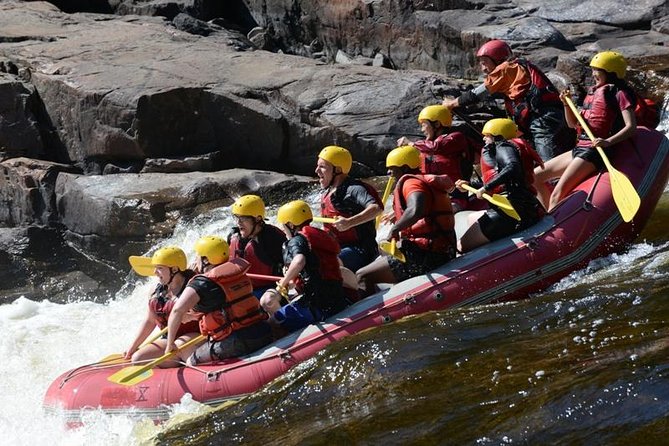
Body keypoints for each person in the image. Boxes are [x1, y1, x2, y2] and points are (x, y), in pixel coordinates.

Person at [533, 51, 638, 212]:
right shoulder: (594, 93)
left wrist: (607, 141)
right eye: (593, 70)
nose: (594, 74)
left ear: (611, 72)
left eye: (598, 71)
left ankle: (551, 227)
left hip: (595, 151)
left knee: (557, 194)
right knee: (535, 176)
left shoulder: (619, 93)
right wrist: (567, 105)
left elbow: (631, 127)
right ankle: (546, 217)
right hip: (580, 147)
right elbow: (572, 124)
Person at [442, 39, 571, 162]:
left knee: (548, 163)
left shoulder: (507, 68)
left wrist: (452, 103)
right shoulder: (517, 68)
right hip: (546, 117)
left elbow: (479, 92)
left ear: (497, 59)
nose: (483, 68)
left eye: (485, 62)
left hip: (543, 120)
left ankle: (553, 183)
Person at [356, 145, 457, 294]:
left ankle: (372, 313)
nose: (389, 172)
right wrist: (398, 216)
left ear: (403, 168)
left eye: (392, 168)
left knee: (362, 275)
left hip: (426, 256)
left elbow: (416, 208)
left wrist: (395, 228)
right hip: (440, 248)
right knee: (383, 250)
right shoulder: (420, 179)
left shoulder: (411, 182)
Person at [165, 251, 273, 366]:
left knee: (190, 362)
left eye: (198, 258)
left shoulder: (202, 283)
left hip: (237, 342)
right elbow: (225, 304)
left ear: (205, 260)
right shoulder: (236, 271)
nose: (195, 261)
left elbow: (177, 311)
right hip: (263, 331)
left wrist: (170, 344)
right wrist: (192, 317)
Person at [455, 118, 545, 253]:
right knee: (471, 218)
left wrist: (486, 187)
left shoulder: (503, 146)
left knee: (460, 246)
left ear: (497, 136)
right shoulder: (508, 148)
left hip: (510, 212)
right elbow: (504, 179)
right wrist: (471, 185)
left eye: (487, 136)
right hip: (524, 205)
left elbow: (512, 167)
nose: (484, 139)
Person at [260, 200, 349, 333]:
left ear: (290, 224)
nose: (284, 229)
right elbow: (338, 264)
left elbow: (299, 261)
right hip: (337, 298)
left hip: (318, 305)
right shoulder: (318, 236)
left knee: (272, 322)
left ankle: (288, 345)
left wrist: (281, 286)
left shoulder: (297, 240)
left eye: (284, 225)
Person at [125, 246, 200, 367]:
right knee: (138, 358)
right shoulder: (155, 291)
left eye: (159, 268)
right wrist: (133, 347)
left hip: (194, 336)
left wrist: (192, 316)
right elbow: (150, 321)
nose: (155, 272)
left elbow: (205, 313)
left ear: (174, 269)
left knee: (180, 345)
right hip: (169, 338)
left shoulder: (194, 287)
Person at [316, 145, 384, 272]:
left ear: (338, 170)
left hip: (359, 250)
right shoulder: (328, 191)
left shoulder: (353, 189)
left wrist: (349, 222)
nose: (316, 171)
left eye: (322, 167)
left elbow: (376, 208)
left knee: (327, 264)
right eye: (317, 166)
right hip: (338, 247)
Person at [397, 104, 475, 211]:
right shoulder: (426, 150)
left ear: (437, 124)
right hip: (434, 198)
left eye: (424, 125)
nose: (422, 130)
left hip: (456, 198)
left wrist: (411, 143)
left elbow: (436, 147)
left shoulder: (456, 137)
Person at [229, 195, 286, 298]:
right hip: (242, 288)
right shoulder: (234, 236)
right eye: (237, 217)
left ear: (257, 219)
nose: (238, 222)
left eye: (243, 218)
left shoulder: (273, 238)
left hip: (269, 289)